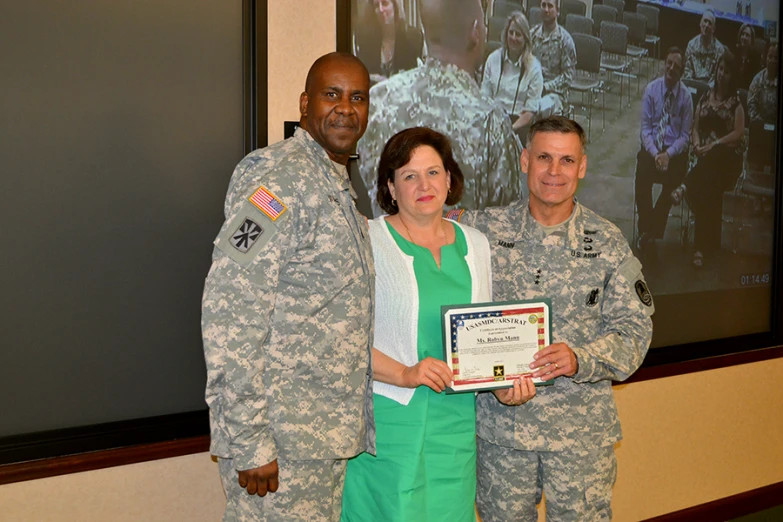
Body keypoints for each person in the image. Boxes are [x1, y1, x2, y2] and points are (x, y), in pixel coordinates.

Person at [449, 117, 653, 522]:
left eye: (566, 160)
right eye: (544, 157)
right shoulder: (480, 231)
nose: (554, 172)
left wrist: (580, 359)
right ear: (525, 160)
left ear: (582, 167)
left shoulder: (607, 242)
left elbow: (634, 333)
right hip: (502, 432)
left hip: (579, 437)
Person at [202, 52, 376, 522]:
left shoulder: (332, 180)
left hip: (316, 437)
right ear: (305, 103)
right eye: (331, 94)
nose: (346, 108)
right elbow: (232, 310)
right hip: (281, 438)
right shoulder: (277, 180)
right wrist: (251, 438)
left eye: (357, 97)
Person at [341, 127, 536, 521]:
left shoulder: (476, 244)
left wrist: (502, 384)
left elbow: (483, 335)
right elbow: (340, 338)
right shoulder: (365, 241)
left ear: (450, 180)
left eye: (433, 172)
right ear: (391, 188)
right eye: (409, 176)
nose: (423, 185)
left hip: (455, 421)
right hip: (389, 423)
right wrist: (404, 372)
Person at [358, 0, 524, 217]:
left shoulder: (378, 100)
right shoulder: (491, 121)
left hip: (386, 249)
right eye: (484, 25)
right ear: (475, 31)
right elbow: (506, 221)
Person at [672, 52, 745, 268]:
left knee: (715, 157)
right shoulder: (705, 96)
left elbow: (739, 133)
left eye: (727, 72)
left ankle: (685, 186)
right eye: (720, 69)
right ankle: (702, 247)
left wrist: (714, 144)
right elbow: (695, 127)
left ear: (732, 76)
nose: (722, 74)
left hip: (727, 159)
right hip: (704, 160)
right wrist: (696, 145)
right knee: (707, 185)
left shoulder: (736, 103)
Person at [634, 47, 693, 254]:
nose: (671, 68)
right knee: (641, 179)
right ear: (664, 63)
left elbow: (685, 136)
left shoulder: (686, 98)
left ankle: (649, 232)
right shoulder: (651, 89)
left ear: (682, 72)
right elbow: (645, 129)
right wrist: (656, 154)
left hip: (673, 153)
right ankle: (646, 230)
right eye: (669, 63)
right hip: (652, 149)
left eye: (676, 66)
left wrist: (668, 154)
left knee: (672, 183)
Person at [481, 11, 544, 140]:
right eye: (511, 33)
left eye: (518, 34)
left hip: (518, 124)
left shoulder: (534, 68)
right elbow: (484, 98)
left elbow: (529, 113)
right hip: (493, 120)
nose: (513, 38)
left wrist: (509, 130)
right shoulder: (493, 59)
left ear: (525, 38)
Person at [354, 0, 423, 84]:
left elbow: (417, 76)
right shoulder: (366, 40)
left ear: (395, 6)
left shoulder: (413, 37)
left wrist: (390, 82)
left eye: (385, 3)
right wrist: (374, 77)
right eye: (376, 6)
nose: (380, 9)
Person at [530, 0, 576, 117]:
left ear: (558, 11)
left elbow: (567, 77)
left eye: (550, 6)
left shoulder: (565, 40)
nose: (546, 9)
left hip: (555, 94)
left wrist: (545, 87)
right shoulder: (532, 35)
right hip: (532, 88)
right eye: (543, 5)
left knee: (539, 108)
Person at [684, 9, 725, 83]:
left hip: (710, 88)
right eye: (705, 21)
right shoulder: (692, 44)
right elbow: (687, 69)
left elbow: (717, 75)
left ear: (713, 29)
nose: (706, 25)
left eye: (710, 23)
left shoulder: (719, 49)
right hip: (693, 84)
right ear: (700, 23)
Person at [748, 42, 779, 123]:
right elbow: (751, 106)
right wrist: (762, 125)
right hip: (760, 124)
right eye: (770, 56)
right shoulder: (757, 80)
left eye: (776, 58)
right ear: (765, 58)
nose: (772, 60)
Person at [734, 23, 762, 90]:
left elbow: (755, 79)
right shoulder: (734, 51)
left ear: (751, 39)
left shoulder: (756, 56)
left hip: (749, 89)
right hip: (734, 88)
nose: (744, 37)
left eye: (747, 35)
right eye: (742, 34)